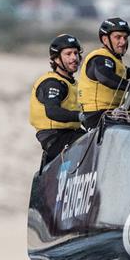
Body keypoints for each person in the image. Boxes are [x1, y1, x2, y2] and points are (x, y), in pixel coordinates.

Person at [77, 17, 130, 128]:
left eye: (125, 38)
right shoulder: (99, 58)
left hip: (113, 113)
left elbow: (118, 72)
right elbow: (105, 77)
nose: (123, 42)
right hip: (96, 117)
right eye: (118, 37)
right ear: (105, 39)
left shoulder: (114, 60)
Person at [29, 34, 86, 164]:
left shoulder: (73, 84)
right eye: (68, 54)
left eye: (76, 53)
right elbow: (52, 111)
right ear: (56, 59)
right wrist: (81, 116)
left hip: (72, 133)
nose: (74, 58)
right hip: (55, 137)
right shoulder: (52, 83)